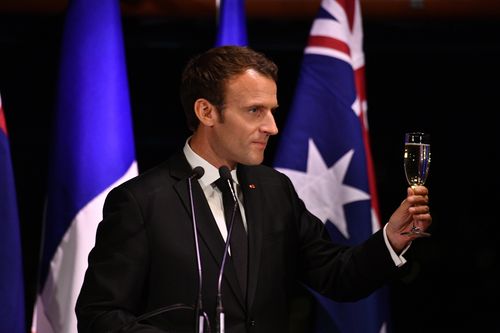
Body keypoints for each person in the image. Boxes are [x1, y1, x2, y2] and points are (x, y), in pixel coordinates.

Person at [75, 46, 431, 333]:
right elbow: (100, 314)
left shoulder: (274, 189)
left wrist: (391, 239)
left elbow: (336, 276)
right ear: (206, 112)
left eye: (272, 111)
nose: (272, 127)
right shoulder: (141, 201)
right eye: (255, 111)